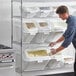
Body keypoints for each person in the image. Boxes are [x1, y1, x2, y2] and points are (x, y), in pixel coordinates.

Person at [49, 5, 76, 76]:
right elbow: (66, 34)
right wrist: (55, 42)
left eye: (60, 15)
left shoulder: (72, 24)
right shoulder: (72, 19)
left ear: (64, 13)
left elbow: (67, 42)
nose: (59, 17)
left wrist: (56, 51)